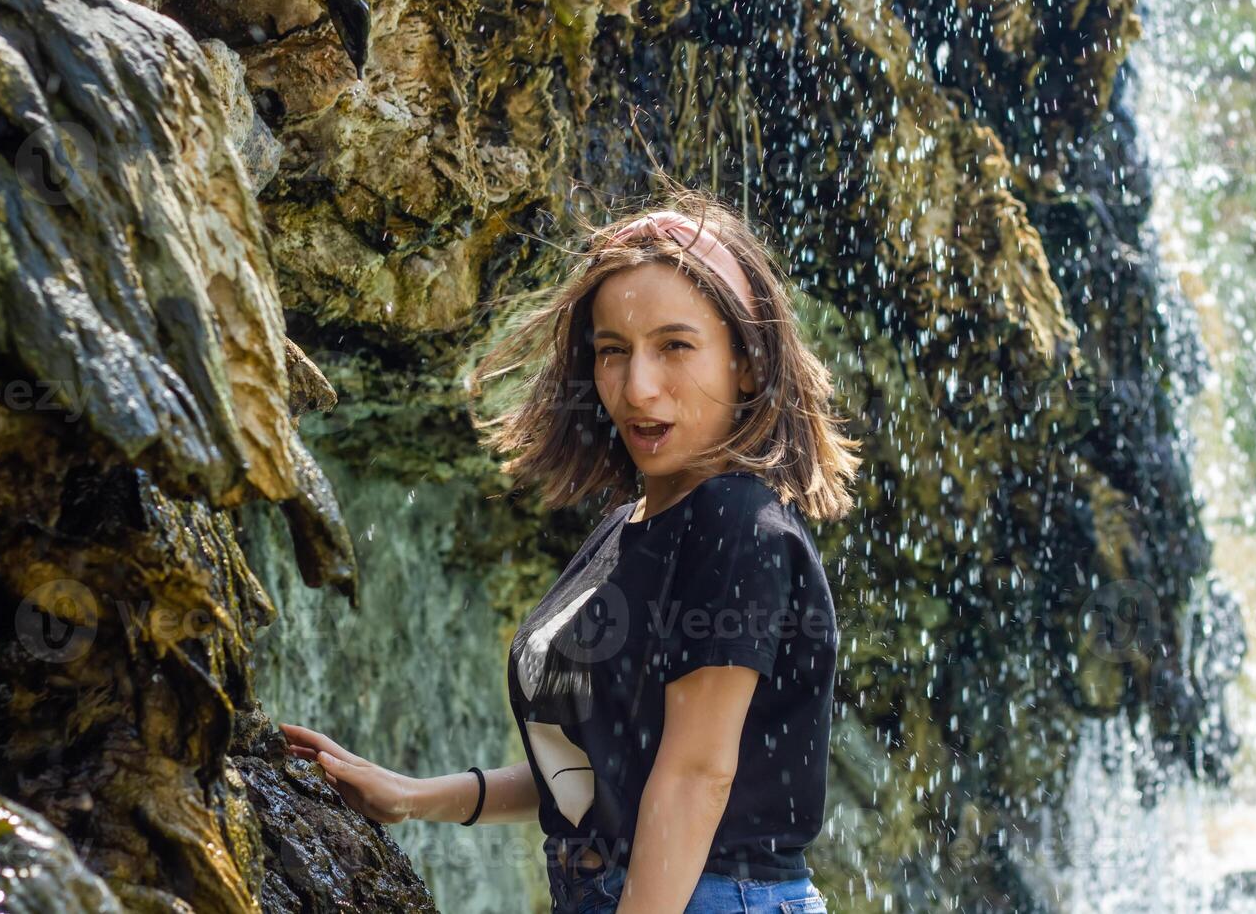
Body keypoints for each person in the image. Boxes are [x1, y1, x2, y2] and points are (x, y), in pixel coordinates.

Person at [281, 178, 861, 913]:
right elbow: (598, 774)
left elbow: (694, 780)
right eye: (612, 351)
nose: (638, 387)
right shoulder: (629, 527)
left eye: (675, 346)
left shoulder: (738, 524)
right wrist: (413, 797)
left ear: (746, 361)